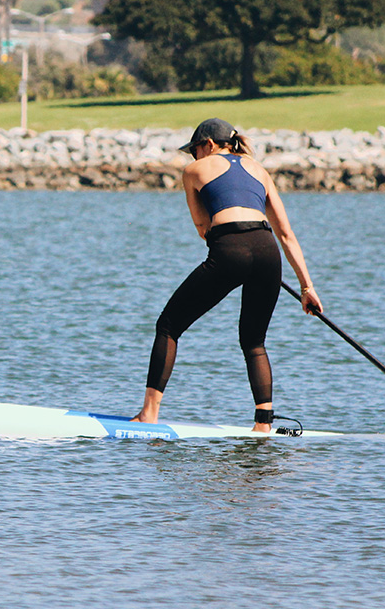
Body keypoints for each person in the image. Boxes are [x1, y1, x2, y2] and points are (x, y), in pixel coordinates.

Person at [131, 118, 323, 433]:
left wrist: (233, 248)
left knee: (169, 325)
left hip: (230, 248)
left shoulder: (193, 172)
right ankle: (263, 425)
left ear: (208, 144)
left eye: (194, 150)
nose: (192, 158)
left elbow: (203, 228)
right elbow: (286, 234)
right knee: (254, 340)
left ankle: (149, 414)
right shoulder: (259, 170)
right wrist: (307, 287)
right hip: (267, 250)